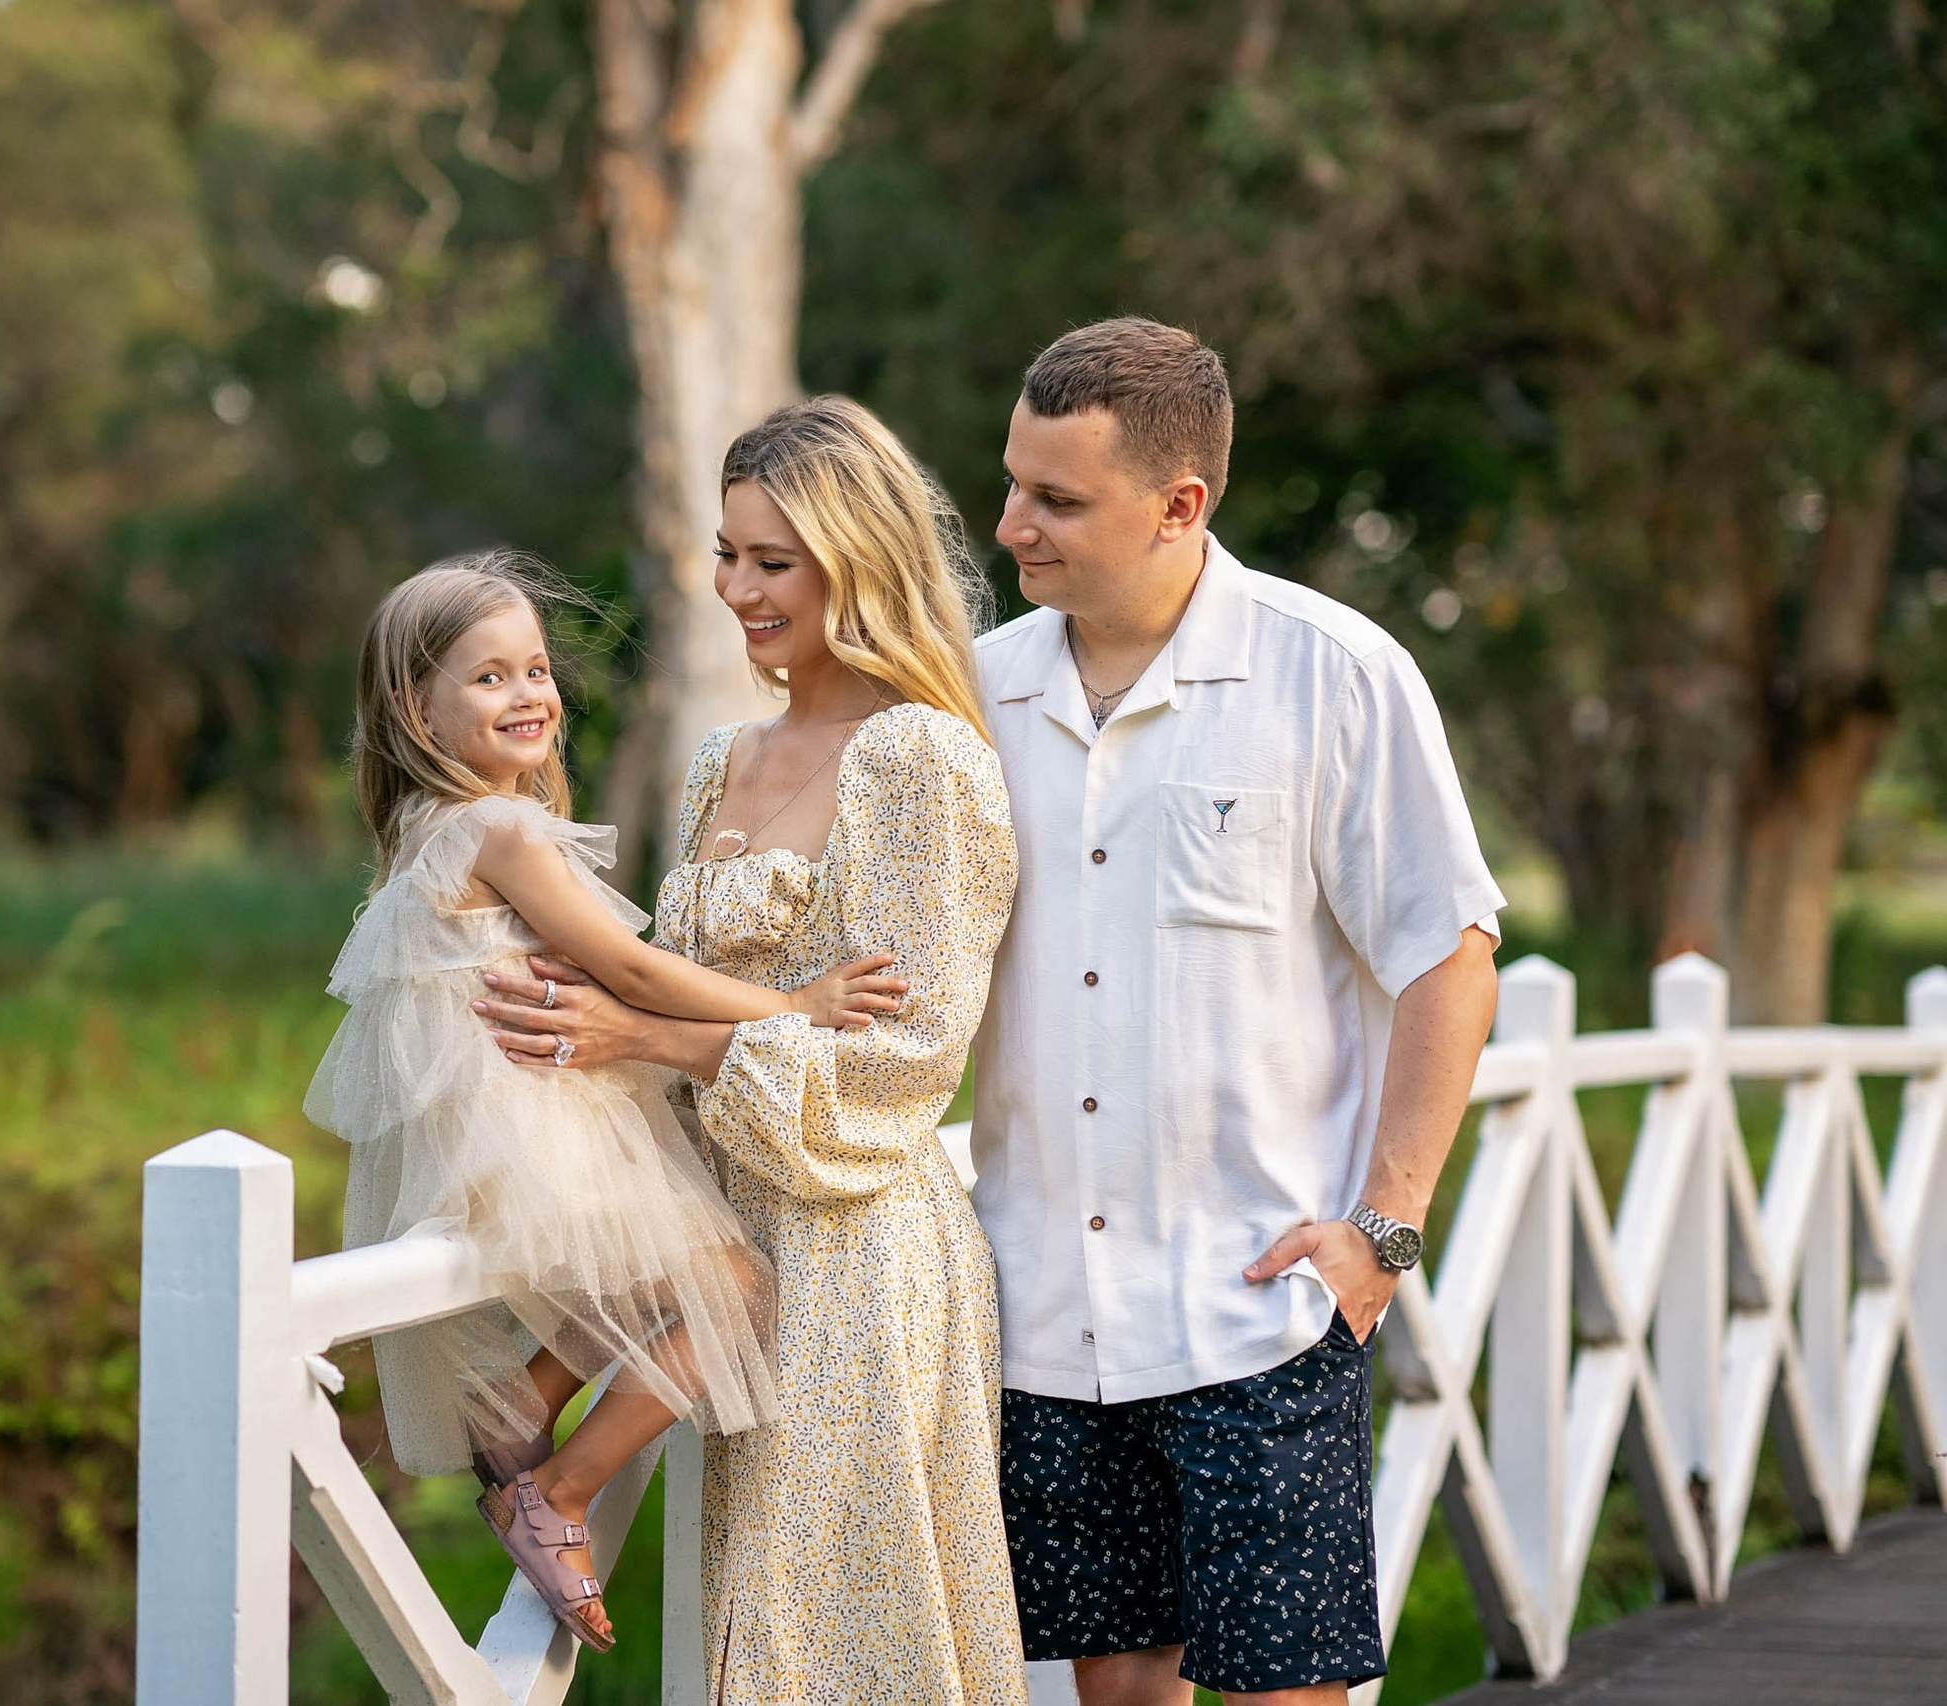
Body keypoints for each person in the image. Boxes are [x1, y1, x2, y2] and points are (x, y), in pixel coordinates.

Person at [973, 317, 1505, 1705]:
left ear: (1181, 504)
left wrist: (1384, 1226)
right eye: (1016, 480)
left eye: (1057, 498)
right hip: (1041, 1315)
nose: (1010, 522)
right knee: (1115, 1693)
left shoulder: (1333, 672)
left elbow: (1449, 954)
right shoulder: (976, 695)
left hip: (1256, 1307)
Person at [476, 399, 1031, 1705]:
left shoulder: (922, 760)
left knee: (837, 1625)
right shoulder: (720, 757)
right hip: (719, 1236)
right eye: (726, 556)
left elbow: (902, 1063)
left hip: (856, 1249)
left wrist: (648, 1033)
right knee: (750, 1616)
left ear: (857, 559)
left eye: (770, 561)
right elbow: (655, 996)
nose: (736, 590)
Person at [306, 553, 905, 1652]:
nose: (530, 694)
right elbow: (632, 973)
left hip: (493, 1126)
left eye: (535, 669)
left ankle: (518, 1404)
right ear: (413, 705)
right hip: (541, 1118)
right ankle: (561, 1487)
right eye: (489, 677)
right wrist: (795, 1004)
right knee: (733, 1289)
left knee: (647, 1292)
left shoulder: (426, 831)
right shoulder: (503, 831)